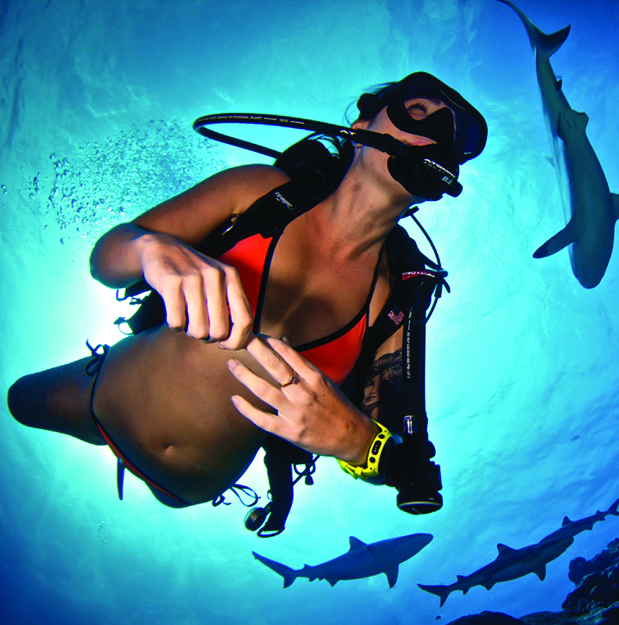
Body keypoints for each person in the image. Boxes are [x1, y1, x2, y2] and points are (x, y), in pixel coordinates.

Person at [7, 72, 487, 511]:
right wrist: (149, 247)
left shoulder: (396, 300)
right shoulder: (260, 191)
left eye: (454, 134)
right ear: (362, 123)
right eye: (417, 111)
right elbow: (107, 260)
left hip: (189, 487)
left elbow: (395, 456)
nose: (434, 132)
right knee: (18, 401)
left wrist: (358, 444)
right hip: (98, 395)